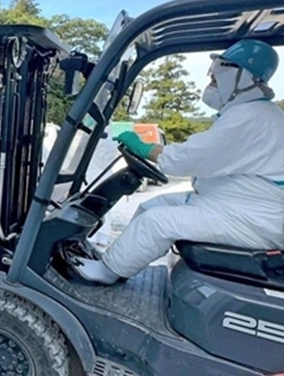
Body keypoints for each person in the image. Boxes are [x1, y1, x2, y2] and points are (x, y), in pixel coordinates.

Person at [73, 39, 284, 285]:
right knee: (150, 207)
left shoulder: (250, 118)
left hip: (253, 220)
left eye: (215, 81)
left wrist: (144, 148)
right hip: (234, 206)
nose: (210, 86)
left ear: (240, 77)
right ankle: (118, 261)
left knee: (157, 221)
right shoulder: (253, 114)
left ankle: (107, 272)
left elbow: (191, 158)